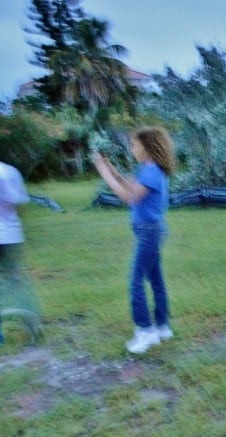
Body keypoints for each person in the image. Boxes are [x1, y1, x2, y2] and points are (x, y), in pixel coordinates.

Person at [93, 127, 175, 354]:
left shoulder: (150, 171)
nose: (133, 149)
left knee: (136, 281)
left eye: (135, 145)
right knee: (155, 280)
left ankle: (145, 331)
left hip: (149, 232)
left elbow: (130, 198)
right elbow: (130, 185)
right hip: (150, 230)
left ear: (147, 147)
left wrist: (104, 174)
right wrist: (112, 170)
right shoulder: (149, 169)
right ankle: (162, 327)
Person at [0, 158, 37, 345]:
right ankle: (33, 326)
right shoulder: (7, 169)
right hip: (11, 234)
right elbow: (19, 203)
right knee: (15, 281)